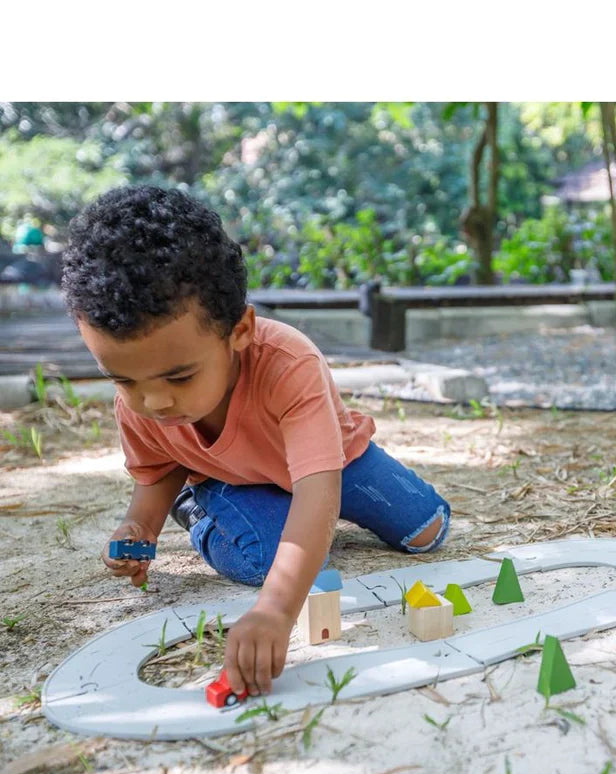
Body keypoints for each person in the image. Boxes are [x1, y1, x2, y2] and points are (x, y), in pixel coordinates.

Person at [61, 185, 450, 698]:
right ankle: (197, 509)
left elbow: (318, 490)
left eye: (179, 378)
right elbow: (156, 471)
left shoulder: (290, 363)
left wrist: (273, 611)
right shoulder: (142, 400)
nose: (153, 403)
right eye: (124, 380)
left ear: (239, 331)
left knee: (428, 530)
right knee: (277, 565)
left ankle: (274, 511)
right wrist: (141, 525)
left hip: (331, 463)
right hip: (231, 481)